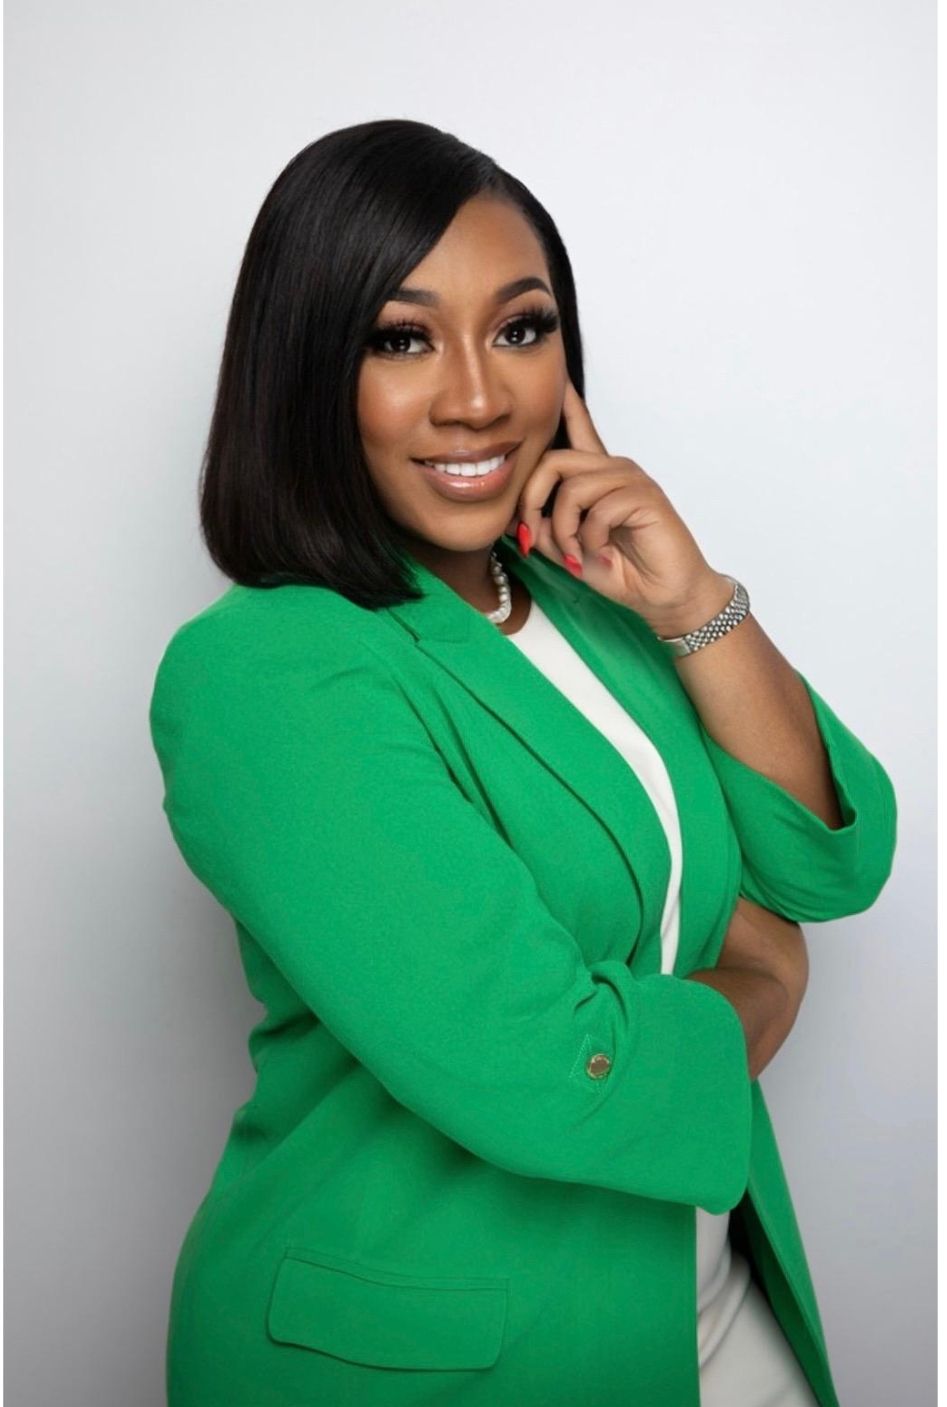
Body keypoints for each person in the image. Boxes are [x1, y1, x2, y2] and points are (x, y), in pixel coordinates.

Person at [149, 119, 898, 1407]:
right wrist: (766, 979)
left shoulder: (589, 602)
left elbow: (826, 858)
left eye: (519, 327)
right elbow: (558, 1073)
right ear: (307, 370)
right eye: (401, 338)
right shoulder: (272, 672)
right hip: (433, 1357)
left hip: (702, 1303)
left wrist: (692, 601)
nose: (478, 396)